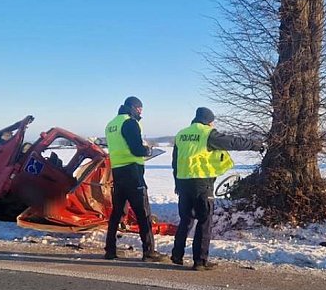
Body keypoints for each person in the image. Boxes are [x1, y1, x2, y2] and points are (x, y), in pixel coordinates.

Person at [171, 107, 263, 271]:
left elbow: (175, 161)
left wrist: (177, 183)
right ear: (208, 120)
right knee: (204, 221)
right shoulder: (207, 133)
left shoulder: (181, 134)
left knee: (186, 219)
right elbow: (232, 142)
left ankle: (177, 255)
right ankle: (200, 261)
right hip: (201, 183)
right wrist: (255, 145)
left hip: (183, 183)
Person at [104, 96, 170, 262]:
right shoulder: (130, 122)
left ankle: (110, 249)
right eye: (139, 108)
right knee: (143, 213)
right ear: (133, 107)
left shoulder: (111, 124)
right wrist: (146, 150)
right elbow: (136, 149)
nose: (141, 112)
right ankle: (149, 252)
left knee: (117, 212)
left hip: (117, 172)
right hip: (133, 173)